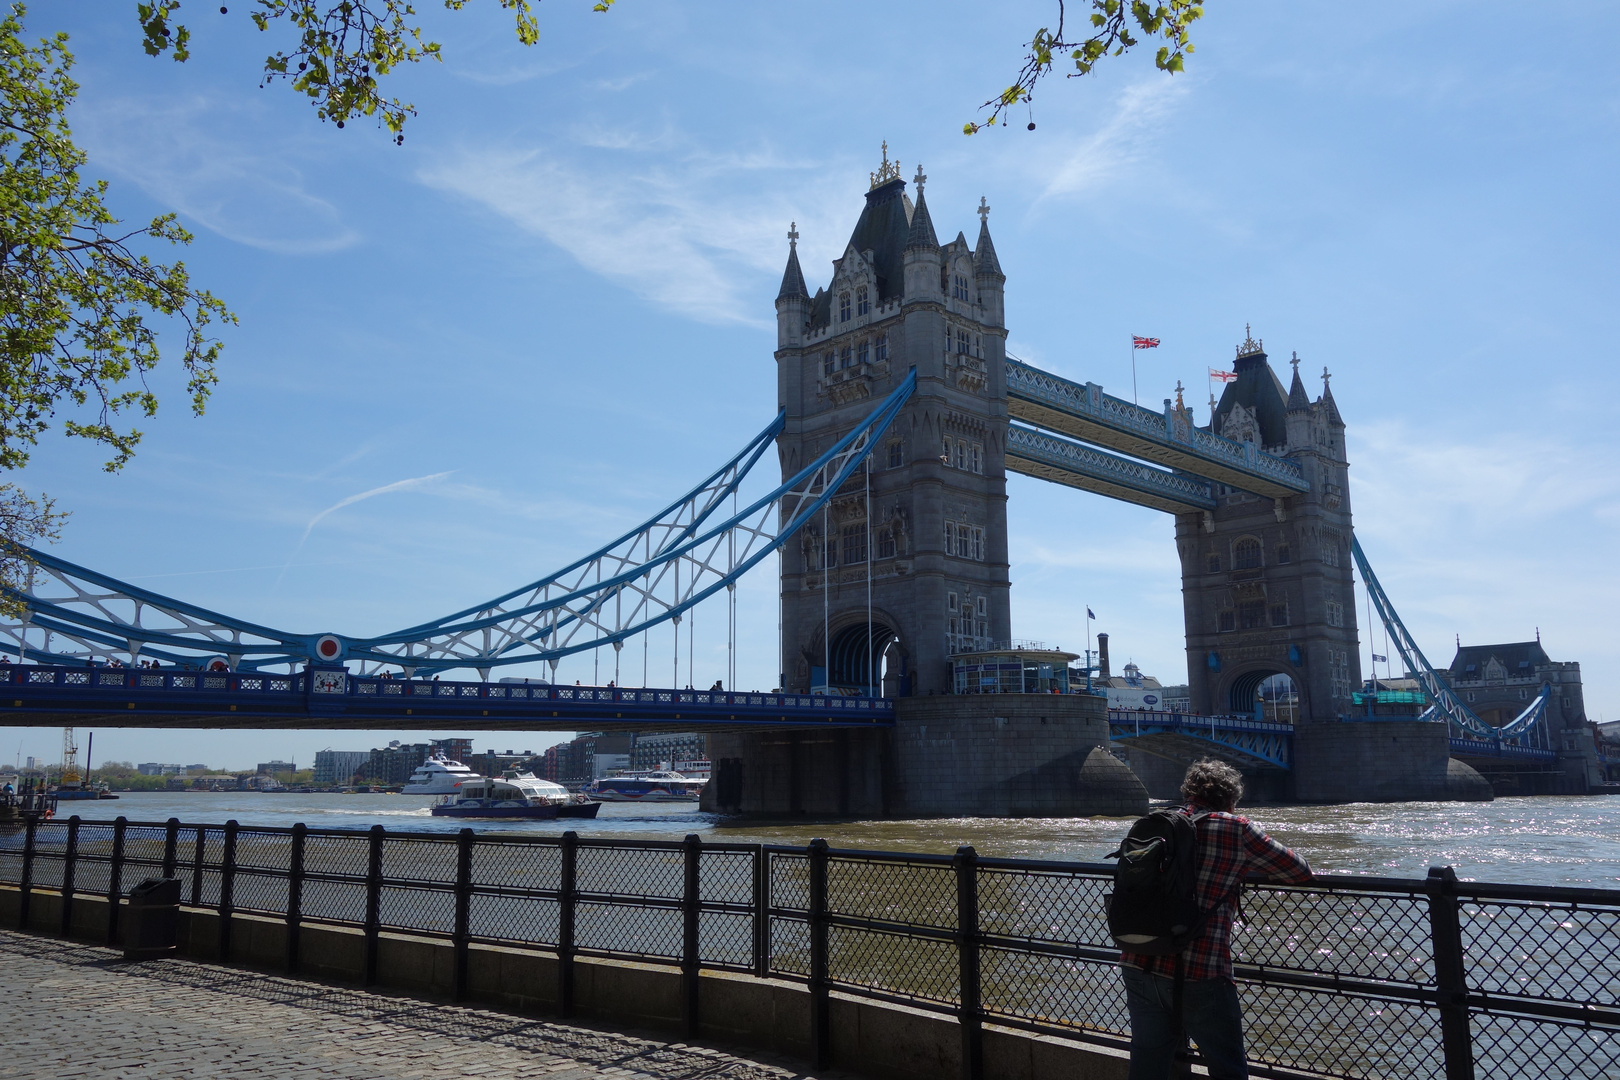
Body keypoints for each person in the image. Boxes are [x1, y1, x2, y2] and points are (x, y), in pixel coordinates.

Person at [1119, 759, 1311, 1080]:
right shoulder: (1236, 828)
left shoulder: (1157, 822)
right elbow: (1299, 870)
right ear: (1231, 798)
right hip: (1201, 971)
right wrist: (1243, 867)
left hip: (1140, 961)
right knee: (1228, 1068)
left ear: (1189, 791)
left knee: (1148, 1065)